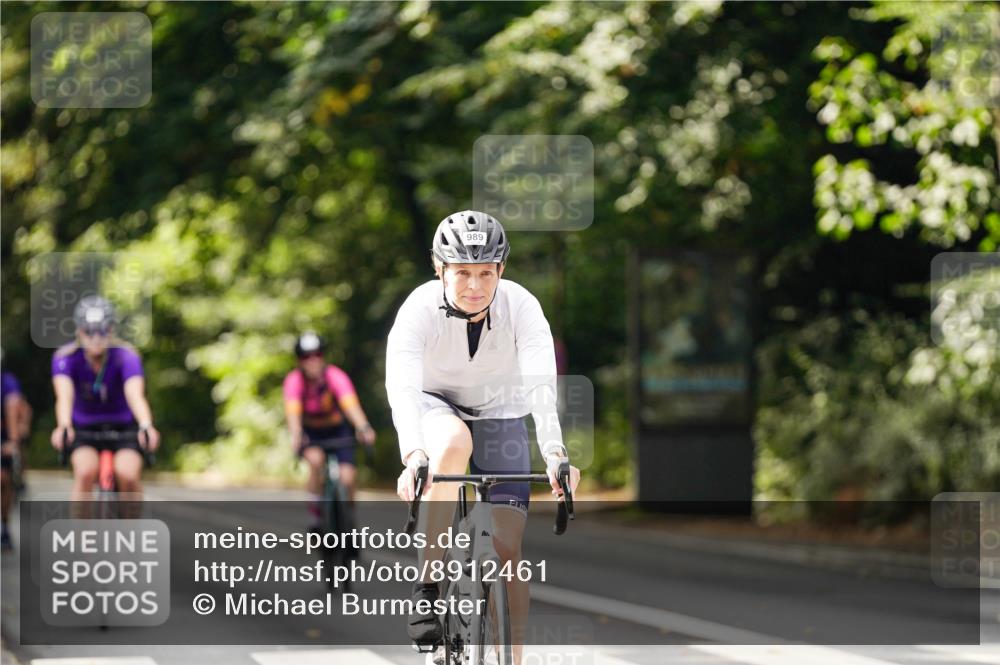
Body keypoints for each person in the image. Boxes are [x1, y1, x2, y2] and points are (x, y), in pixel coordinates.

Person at [387, 210, 581, 665]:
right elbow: (403, 389)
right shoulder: (418, 310)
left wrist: (555, 453)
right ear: (440, 268)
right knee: (454, 445)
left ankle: (511, 659)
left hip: (502, 409)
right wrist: (413, 453)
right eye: (462, 274)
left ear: (501, 270)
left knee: (508, 548)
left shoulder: (522, 307)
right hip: (437, 405)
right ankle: (429, 587)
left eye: (486, 273)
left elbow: (540, 385)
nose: (475, 286)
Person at [50, 295, 160, 503]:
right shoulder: (65, 358)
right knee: (85, 473)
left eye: (102, 330)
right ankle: (81, 535)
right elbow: (64, 397)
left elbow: (135, 395)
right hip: (84, 428)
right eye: (89, 331)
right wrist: (63, 425)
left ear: (111, 330)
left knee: (127, 476)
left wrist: (146, 424)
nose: (96, 337)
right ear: (79, 331)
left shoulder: (126, 356)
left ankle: (130, 532)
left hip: (123, 427)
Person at [283, 332, 376, 530]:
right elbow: (293, 413)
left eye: (317, 354)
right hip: (312, 433)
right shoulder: (295, 381)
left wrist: (363, 426)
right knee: (315, 462)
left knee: (348, 477)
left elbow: (351, 405)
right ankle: (317, 517)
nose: (312, 360)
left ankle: (348, 518)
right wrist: (296, 435)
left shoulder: (335, 376)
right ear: (299, 360)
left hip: (337, 431)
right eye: (306, 356)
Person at [1, 361, 27, 550]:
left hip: (4, 434)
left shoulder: (8, 382)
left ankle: (4, 526)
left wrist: (14, 440)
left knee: (2, 479)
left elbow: (15, 408)